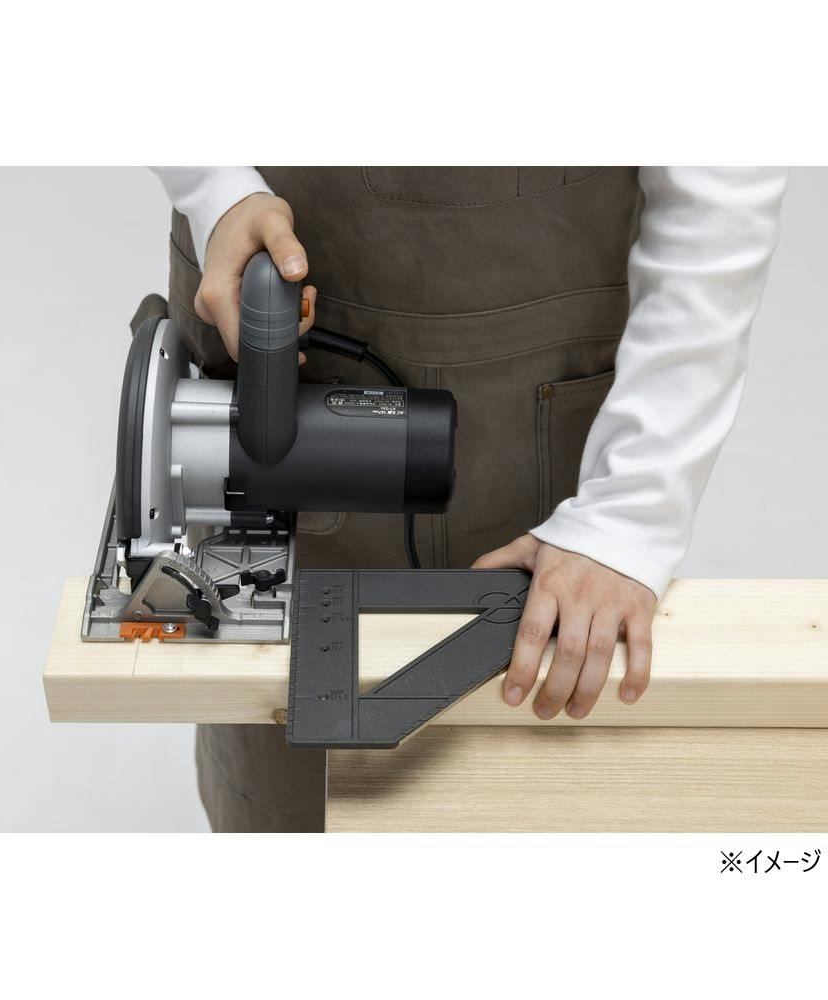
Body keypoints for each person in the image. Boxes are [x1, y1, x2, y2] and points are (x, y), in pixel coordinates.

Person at [148, 166, 788, 832]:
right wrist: (216, 189)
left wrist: (628, 515)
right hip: (264, 328)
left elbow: (727, 184)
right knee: (290, 800)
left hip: (539, 375)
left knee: (539, 798)